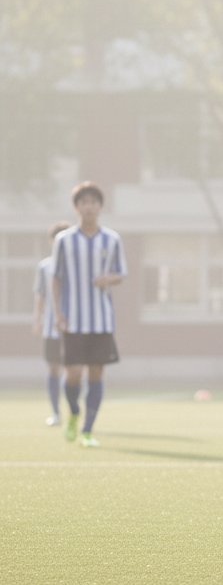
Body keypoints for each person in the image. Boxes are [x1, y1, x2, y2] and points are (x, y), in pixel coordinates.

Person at [51, 183, 127, 448]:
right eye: (84, 202)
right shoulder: (64, 240)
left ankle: (87, 430)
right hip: (73, 319)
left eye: (94, 202)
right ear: (76, 206)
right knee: (73, 374)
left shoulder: (112, 239)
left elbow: (121, 273)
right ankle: (73, 412)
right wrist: (57, 312)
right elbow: (56, 278)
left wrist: (110, 278)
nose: (89, 206)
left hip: (101, 320)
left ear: (100, 206)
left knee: (96, 374)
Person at [33, 221, 72, 426]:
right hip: (51, 327)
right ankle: (56, 413)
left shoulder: (76, 265)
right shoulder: (45, 266)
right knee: (53, 369)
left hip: (74, 326)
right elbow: (40, 295)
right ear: (51, 242)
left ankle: (73, 409)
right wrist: (37, 320)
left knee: (73, 371)